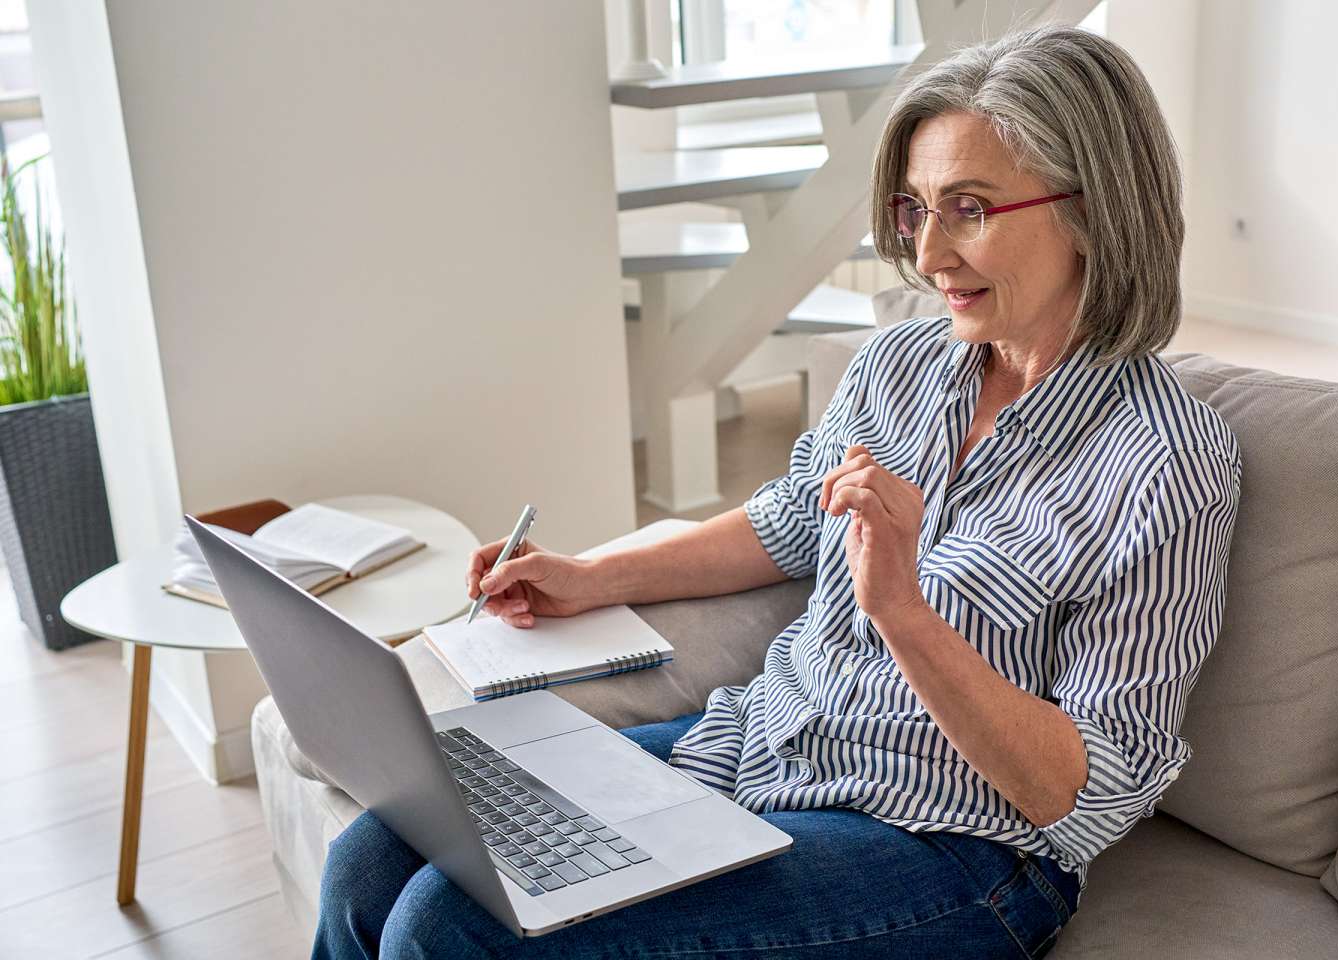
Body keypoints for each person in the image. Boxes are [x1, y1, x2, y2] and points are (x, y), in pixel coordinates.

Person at [313, 23, 1242, 960]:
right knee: (374, 854)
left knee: (450, 927)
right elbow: (790, 522)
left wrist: (904, 614)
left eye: (970, 208)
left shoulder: (1169, 464)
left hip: (949, 851)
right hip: (756, 749)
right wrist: (594, 574)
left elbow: (1084, 797)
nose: (928, 257)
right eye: (918, 209)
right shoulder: (900, 366)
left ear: (1096, 208)